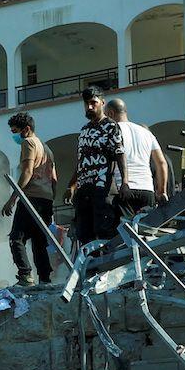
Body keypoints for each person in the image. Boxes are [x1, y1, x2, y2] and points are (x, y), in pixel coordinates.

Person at [3, 111, 58, 287]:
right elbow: (54, 179)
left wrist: (12, 198)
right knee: (39, 242)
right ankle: (45, 279)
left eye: (15, 131)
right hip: (46, 200)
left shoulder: (28, 143)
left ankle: (25, 275)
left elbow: (27, 172)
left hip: (31, 199)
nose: (14, 136)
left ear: (26, 129)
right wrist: (50, 199)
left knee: (16, 238)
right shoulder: (47, 148)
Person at [69, 85, 126, 253]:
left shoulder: (111, 126)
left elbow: (120, 154)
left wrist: (125, 181)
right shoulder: (84, 130)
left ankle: (108, 269)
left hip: (103, 189)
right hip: (84, 191)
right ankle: (90, 272)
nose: (89, 107)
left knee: (104, 232)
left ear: (102, 102)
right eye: (86, 103)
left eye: (93, 103)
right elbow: (81, 161)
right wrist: (71, 185)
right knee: (84, 234)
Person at [104, 97, 168, 214]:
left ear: (110, 113)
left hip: (122, 190)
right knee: (145, 230)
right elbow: (161, 163)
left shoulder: (111, 131)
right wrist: (161, 191)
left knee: (124, 230)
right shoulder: (146, 133)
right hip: (147, 190)